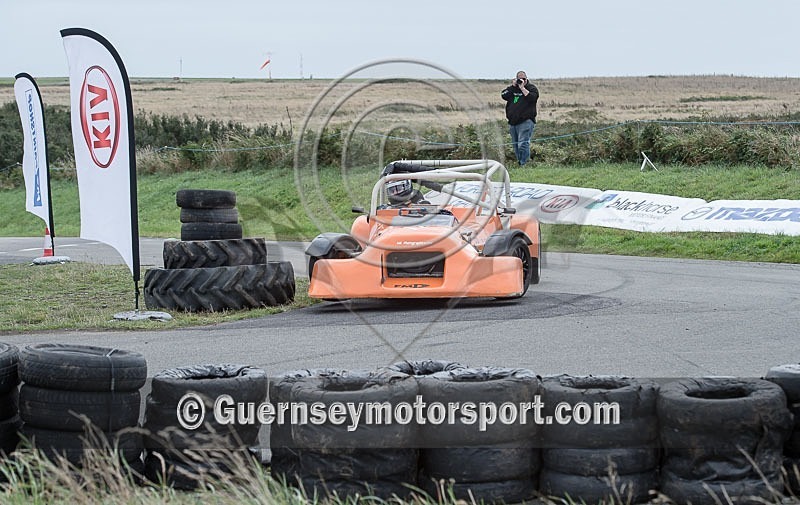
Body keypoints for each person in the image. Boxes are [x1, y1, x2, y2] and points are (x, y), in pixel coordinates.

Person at [501, 71, 539, 166]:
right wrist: (513, 86)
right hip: (513, 122)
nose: (522, 81)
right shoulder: (513, 89)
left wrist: (522, 88)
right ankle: (519, 162)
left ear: (527, 79)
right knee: (515, 145)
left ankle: (524, 163)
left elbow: (533, 98)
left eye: (524, 79)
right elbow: (503, 95)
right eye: (519, 79)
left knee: (523, 143)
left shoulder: (531, 88)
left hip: (526, 121)